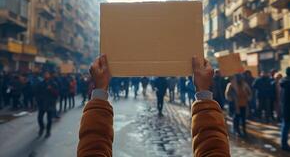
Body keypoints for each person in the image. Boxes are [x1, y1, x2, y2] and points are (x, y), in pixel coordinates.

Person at [77, 55, 230, 156]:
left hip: (159, 94)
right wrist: (203, 91)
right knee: (159, 102)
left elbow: (93, 149)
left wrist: (99, 91)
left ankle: (159, 107)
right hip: (161, 94)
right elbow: (213, 149)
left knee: (160, 103)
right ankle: (159, 107)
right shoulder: (158, 79)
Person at [36, 72, 59, 138]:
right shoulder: (40, 83)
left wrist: (51, 89)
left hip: (50, 104)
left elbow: (56, 94)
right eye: (45, 74)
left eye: (47, 74)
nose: (46, 75)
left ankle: (48, 131)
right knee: (39, 118)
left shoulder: (53, 83)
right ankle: (42, 128)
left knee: (49, 119)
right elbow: (37, 93)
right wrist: (38, 101)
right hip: (42, 103)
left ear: (49, 75)